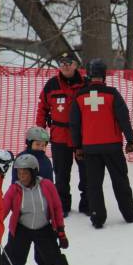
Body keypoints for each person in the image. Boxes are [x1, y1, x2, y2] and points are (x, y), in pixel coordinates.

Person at [0, 154, 80, 265]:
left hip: (44, 228)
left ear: (34, 172)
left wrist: (61, 232)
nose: (21, 176)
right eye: (19, 173)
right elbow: (3, 208)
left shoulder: (47, 185)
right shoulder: (14, 189)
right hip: (21, 229)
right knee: (11, 261)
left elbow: (56, 208)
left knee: (56, 262)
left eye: (25, 173)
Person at [69, 58, 133, 229]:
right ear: (104, 75)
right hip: (113, 146)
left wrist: (77, 146)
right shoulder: (112, 94)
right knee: (120, 181)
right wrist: (130, 139)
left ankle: (97, 217)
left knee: (93, 184)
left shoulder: (80, 96)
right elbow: (123, 118)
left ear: (89, 75)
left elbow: (75, 124)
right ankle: (129, 214)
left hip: (90, 148)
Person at [36, 52, 87, 216]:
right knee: (61, 174)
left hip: (82, 138)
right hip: (59, 137)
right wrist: (40, 133)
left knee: (87, 172)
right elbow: (42, 108)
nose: (65, 65)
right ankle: (62, 205)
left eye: (69, 62)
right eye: (62, 62)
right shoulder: (51, 85)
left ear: (76, 65)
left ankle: (87, 204)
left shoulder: (86, 84)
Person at [11, 126, 56, 265]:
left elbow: (50, 185)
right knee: (18, 246)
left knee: (45, 242)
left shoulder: (46, 162)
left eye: (43, 145)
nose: (41, 148)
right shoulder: (22, 160)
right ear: (29, 143)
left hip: (42, 209)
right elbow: (15, 184)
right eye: (37, 144)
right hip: (24, 209)